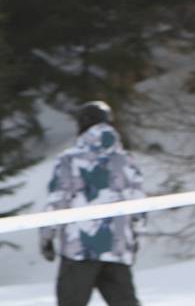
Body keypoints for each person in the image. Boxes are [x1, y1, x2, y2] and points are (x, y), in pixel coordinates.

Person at [40, 101, 146, 306]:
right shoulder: (125, 160)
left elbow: (58, 200)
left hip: (79, 248)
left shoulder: (69, 160)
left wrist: (47, 236)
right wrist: (136, 235)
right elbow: (138, 201)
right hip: (117, 247)